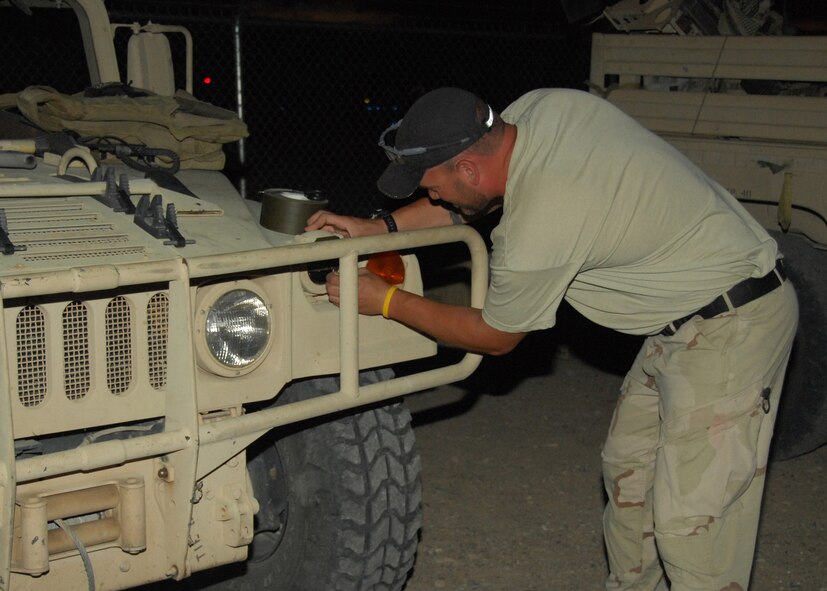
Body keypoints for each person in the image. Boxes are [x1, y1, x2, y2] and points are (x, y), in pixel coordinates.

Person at [305, 87, 799, 591]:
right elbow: (469, 203)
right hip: (678, 317)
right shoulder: (538, 112)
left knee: (692, 526)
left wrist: (385, 301)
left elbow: (494, 336)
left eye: (432, 188)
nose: (431, 198)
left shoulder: (542, 221)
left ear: (469, 168)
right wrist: (378, 228)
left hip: (733, 323)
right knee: (629, 477)